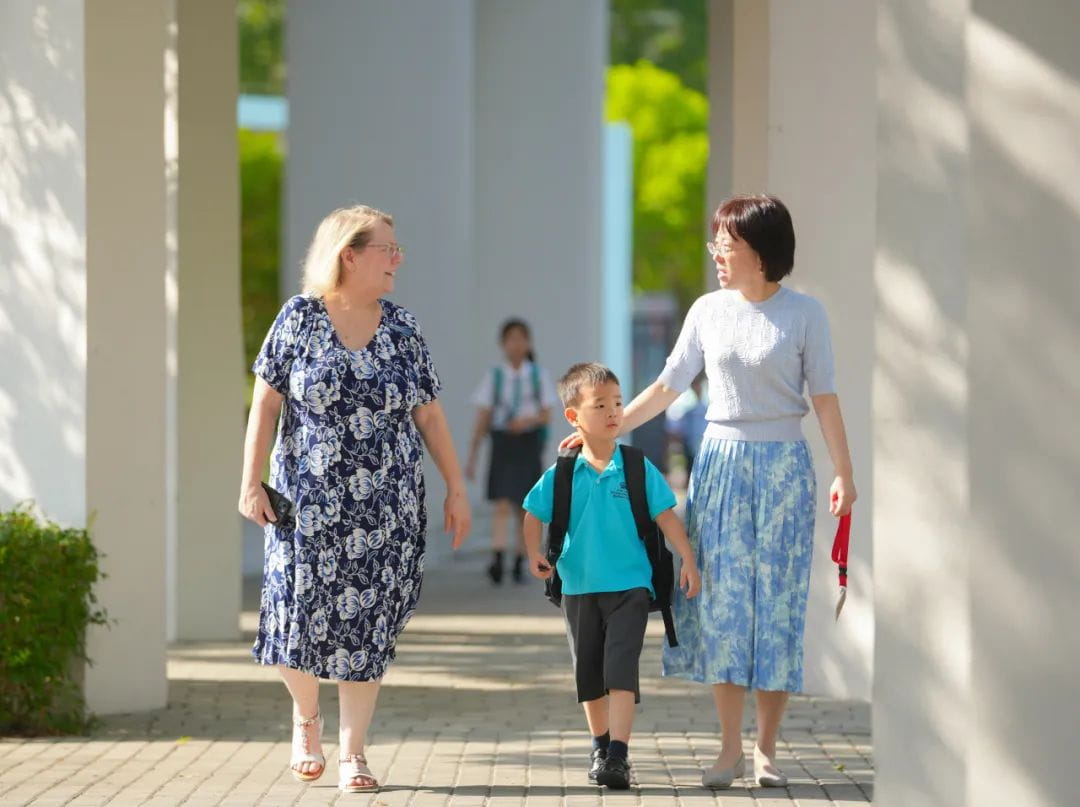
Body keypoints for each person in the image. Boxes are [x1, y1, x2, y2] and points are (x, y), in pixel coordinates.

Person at [561, 195, 856, 789]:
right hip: (719, 464)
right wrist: (605, 433)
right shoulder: (707, 310)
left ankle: (766, 750)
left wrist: (844, 473)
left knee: (775, 607)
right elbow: (669, 385)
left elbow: (823, 396)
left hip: (783, 469)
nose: (716, 253)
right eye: (716, 243)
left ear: (761, 250)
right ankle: (728, 750)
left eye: (727, 244)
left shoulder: (805, 315)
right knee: (721, 606)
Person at [238, 205, 471, 793]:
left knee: (367, 629)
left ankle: (354, 754)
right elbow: (265, 405)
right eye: (387, 249)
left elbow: (430, 414)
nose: (398, 259)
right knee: (294, 616)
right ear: (350, 253)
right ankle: (307, 716)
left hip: (385, 506)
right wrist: (249, 480)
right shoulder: (298, 319)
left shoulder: (402, 327)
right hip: (306, 502)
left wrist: (457, 488)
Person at [523, 362, 701, 790]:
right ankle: (600, 745)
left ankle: (619, 755)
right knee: (590, 676)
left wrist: (688, 559)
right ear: (573, 417)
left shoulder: (638, 468)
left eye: (618, 403)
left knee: (621, 669)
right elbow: (533, 513)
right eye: (599, 404)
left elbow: (666, 517)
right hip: (579, 588)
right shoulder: (563, 473)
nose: (613, 412)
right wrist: (533, 553)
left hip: (630, 587)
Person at [465, 319, 556, 584]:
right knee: (502, 502)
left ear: (528, 343)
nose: (516, 344)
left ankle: (521, 558)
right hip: (503, 442)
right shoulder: (495, 376)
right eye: (511, 339)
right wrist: (473, 456)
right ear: (502, 344)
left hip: (527, 443)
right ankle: (498, 557)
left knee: (524, 507)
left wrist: (526, 421)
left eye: (521, 339)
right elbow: (483, 417)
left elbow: (547, 414)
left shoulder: (538, 375)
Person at [664, 374, 708, 478]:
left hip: (704, 443)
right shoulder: (684, 403)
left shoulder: (708, 403)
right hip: (688, 444)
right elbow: (675, 426)